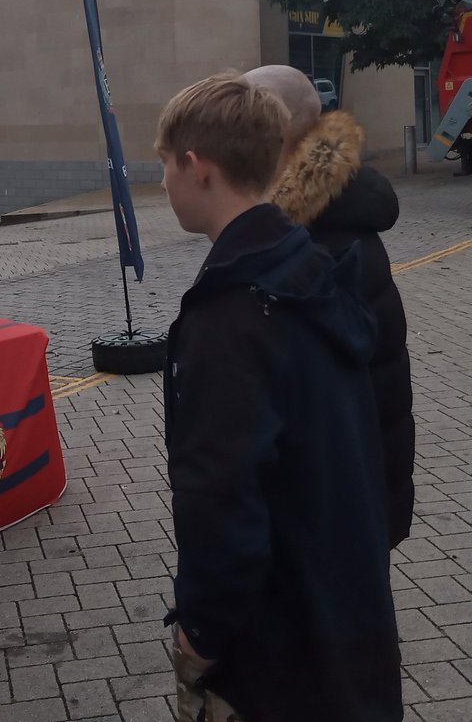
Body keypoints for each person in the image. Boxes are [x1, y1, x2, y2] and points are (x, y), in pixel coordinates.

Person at [155, 72, 402, 722]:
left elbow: (220, 499)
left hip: (277, 657)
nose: (160, 185)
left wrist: (198, 636)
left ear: (196, 166)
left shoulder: (233, 313)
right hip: (343, 629)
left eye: (162, 166)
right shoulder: (315, 269)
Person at [245, 64, 414, 547]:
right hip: (356, 496)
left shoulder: (314, 245)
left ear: (270, 130)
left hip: (339, 510)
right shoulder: (328, 216)